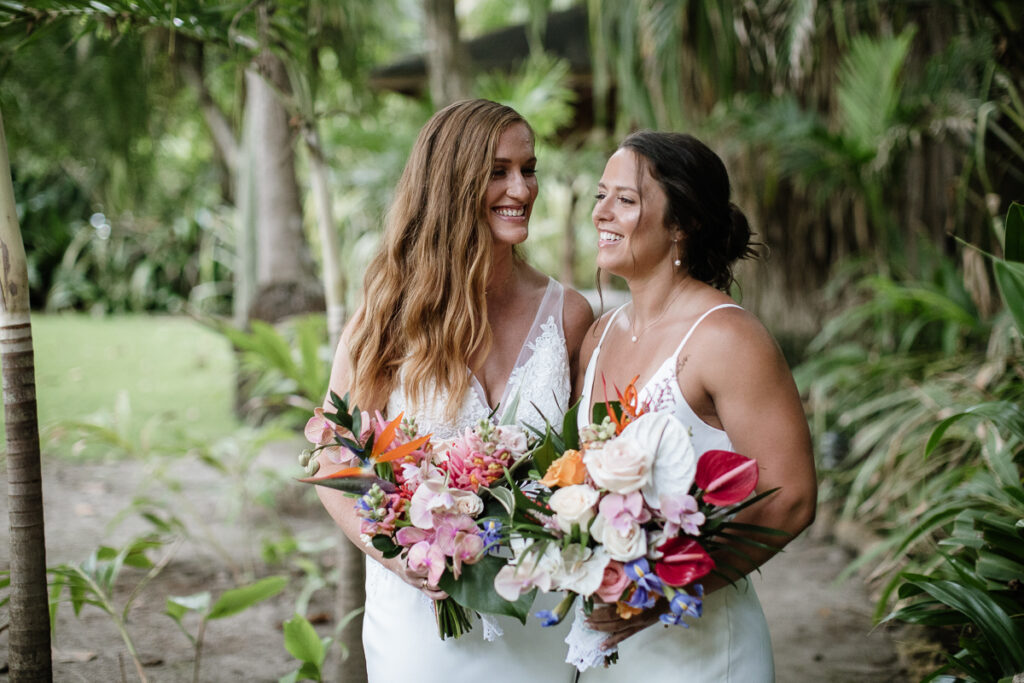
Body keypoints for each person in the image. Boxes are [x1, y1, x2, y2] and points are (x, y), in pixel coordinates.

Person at [315, 99, 593, 682]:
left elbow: (579, 464)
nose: (522, 187)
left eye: (529, 168)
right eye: (498, 171)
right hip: (423, 614)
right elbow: (332, 459)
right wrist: (393, 555)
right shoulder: (389, 313)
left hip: (537, 613)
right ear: (451, 184)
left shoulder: (567, 313)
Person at [574, 131, 817, 681]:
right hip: (609, 645)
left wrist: (663, 589)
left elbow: (794, 498)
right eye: (600, 196)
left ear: (681, 224)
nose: (602, 214)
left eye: (626, 200)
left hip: (701, 648)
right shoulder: (599, 336)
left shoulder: (727, 338)